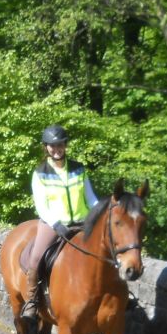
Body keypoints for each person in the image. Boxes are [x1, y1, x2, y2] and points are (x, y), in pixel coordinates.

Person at [21, 124, 99, 321]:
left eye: (60, 145)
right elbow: (41, 206)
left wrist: (100, 214)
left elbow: (91, 199)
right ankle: (32, 301)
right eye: (52, 146)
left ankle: (120, 293)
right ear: (46, 147)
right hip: (53, 225)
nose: (57, 149)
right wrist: (56, 224)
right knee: (36, 258)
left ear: (65, 145)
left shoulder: (78, 169)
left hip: (82, 222)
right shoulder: (40, 173)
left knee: (109, 249)